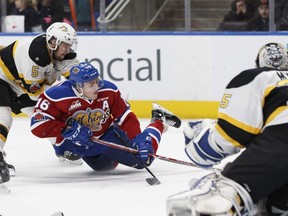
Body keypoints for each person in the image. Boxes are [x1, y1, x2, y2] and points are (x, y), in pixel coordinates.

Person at [167, 42, 288, 215]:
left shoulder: (257, 77)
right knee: (275, 201)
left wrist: (196, 137)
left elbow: (227, 140)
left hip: (280, 144)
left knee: (220, 195)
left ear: (258, 63)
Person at [30, 62, 181, 172]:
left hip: (108, 136)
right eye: (91, 85)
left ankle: (158, 121)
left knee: (143, 160)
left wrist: (137, 139)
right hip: (78, 143)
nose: (97, 87)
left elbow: (125, 116)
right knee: (102, 168)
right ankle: (110, 154)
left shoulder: (108, 90)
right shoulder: (56, 96)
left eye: (97, 82)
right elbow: (36, 125)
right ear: (78, 87)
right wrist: (66, 129)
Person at [0, 22, 78, 185]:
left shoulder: (63, 54)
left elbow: (80, 79)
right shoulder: (36, 54)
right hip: (3, 79)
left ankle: (61, 145)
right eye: (65, 45)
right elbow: (36, 94)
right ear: (53, 42)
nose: (68, 50)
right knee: (3, 116)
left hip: (19, 85)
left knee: (42, 114)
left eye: (69, 45)